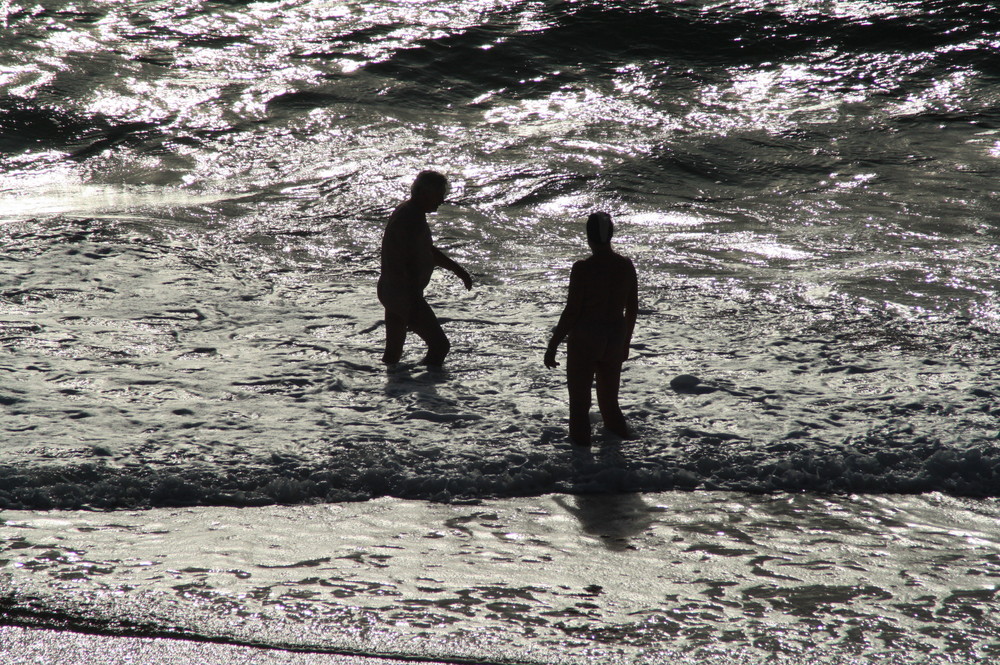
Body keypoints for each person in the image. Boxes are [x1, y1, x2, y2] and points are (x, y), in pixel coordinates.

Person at [544, 212, 638, 445]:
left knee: (579, 406)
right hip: (614, 337)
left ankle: (581, 469)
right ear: (612, 235)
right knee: (610, 405)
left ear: (588, 236)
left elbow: (572, 311)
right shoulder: (626, 266)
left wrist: (553, 344)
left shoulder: (583, 268)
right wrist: (625, 343)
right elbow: (632, 309)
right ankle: (622, 462)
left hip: (587, 337)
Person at [378, 170, 472, 367]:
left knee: (392, 355)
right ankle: (425, 391)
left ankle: (389, 392)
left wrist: (458, 270)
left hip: (391, 290)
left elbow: (426, 251)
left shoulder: (410, 211)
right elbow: (408, 261)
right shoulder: (411, 216)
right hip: (403, 293)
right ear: (424, 193)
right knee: (440, 346)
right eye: (439, 195)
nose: (441, 200)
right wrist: (414, 301)